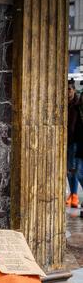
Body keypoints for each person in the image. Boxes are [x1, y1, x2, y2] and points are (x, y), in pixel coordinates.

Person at [67, 80, 80, 208]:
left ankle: (75, 195)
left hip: (74, 141)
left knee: (74, 169)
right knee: (67, 170)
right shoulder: (65, 104)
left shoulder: (77, 104)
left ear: (74, 90)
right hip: (65, 140)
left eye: (69, 89)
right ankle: (72, 194)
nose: (67, 92)